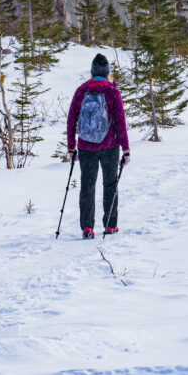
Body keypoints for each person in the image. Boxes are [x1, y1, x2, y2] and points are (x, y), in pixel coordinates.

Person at [67, 53, 131, 239]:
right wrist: (126, 149)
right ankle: (110, 225)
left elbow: (71, 120)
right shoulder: (112, 91)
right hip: (110, 146)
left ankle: (87, 227)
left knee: (87, 185)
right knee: (110, 184)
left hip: (86, 147)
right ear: (108, 72)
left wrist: (71, 147)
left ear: (92, 71)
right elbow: (120, 121)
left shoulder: (81, 90)